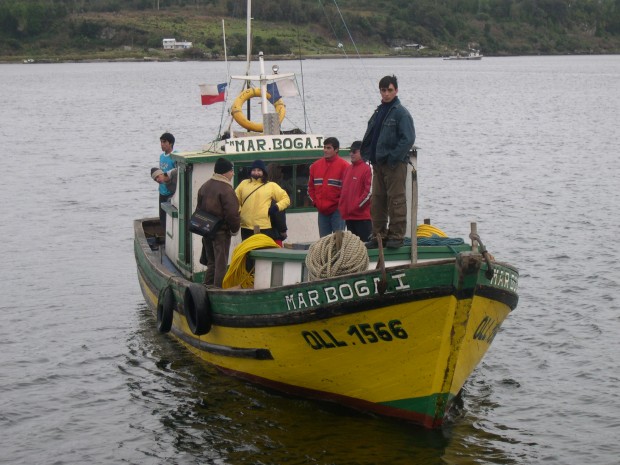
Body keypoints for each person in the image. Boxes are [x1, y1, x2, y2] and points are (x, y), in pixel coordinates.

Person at [360, 75, 415, 249]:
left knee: (396, 200)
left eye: (389, 90)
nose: (386, 94)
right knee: (377, 201)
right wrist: (368, 154)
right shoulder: (379, 111)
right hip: (378, 164)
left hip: (394, 164)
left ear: (396, 90)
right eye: (383, 90)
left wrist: (393, 158)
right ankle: (379, 235)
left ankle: (397, 236)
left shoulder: (401, 112)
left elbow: (408, 138)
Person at [196, 158, 240, 288]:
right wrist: (234, 230)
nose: (233, 174)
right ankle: (218, 291)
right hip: (221, 233)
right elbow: (232, 214)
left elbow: (198, 209)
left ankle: (207, 286)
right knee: (221, 264)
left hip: (206, 230)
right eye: (231, 171)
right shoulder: (226, 189)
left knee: (211, 262)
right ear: (225, 172)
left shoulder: (205, 186)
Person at [235, 159, 290, 241]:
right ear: (250, 171)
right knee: (247, 252)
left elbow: (286, 199)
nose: (256, 172)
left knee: (260, 251)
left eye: (259, 170)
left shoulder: (271, 186)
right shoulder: (243, 184)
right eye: (254, 170)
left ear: (263, 172)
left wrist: (275, 208)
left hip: (263, 227)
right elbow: (235, 199)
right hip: (245, 226)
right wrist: (239, 211)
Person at [308, 136, 350, 237]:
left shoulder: (345, 166)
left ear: (336, 150)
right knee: (323, 243)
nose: (325, 150)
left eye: (328, 148)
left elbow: (347, 191)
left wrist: (339, 205)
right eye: (324, 147)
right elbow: (310, 188)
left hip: (337, 211)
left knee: (338, 241)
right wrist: (316, 203)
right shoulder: (315, 166)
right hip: (322, 212)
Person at [338, 141, 372, 242]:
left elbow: (369, 193)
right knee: (353, 248)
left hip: (362, 218)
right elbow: (343, 191)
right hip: (349, 217)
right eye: (350, 151)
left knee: (366, 247)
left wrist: (356, 207)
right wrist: (342, 206)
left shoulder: (368, 169)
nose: (351, 154)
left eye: (354, 151)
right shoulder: (348, 169)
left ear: (362, 152)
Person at [267, 162, 290, 246]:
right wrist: (283, 230)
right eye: (280, 171)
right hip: (274, 233)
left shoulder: (263, 186)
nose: (282, 174)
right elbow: (278, 212)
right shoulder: (275, 189)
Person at [158, 132, 177, 230]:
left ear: (171, 143)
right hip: (162, 190)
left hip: (171, 192)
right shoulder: (161, 156)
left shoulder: (176, 156)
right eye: (161, 142)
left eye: (164, 142)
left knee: (170, 219)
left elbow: (178, 172)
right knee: (162, 218)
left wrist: (167, 176)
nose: (162, 144)